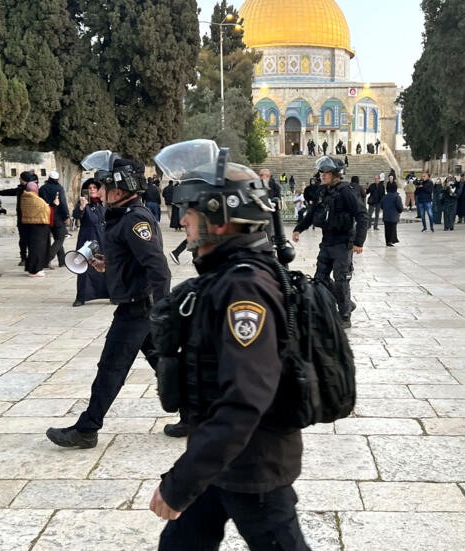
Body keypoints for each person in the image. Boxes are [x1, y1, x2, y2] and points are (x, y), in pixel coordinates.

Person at [148, 139, 307, 550]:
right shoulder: (225, 276)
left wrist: (180, 483)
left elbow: (245, 399)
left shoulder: (243, 288)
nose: (183, 219)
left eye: (191, 209)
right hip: (220, 460)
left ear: (218, 219)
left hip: (252, 469)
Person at [46, 153, 170, 448]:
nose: (100, 192)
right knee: (163, 362)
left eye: (105, 186)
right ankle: (195, 413)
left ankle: (87, 428)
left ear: (122, 188)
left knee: (111, 367)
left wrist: (163, 310)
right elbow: (132, 261)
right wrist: (107, 265)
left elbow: (158, 268)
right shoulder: (123, 216)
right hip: (138, 305)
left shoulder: (135, 219)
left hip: (138, 308)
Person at [292, 156, 368, 328]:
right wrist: (299, 229)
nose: (322, 175)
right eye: (321, 172)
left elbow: (362, 215)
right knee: (320, 280)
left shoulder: (346, 192)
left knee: (341, 280)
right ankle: (346, 303)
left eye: (326, 172)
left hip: (343, 243)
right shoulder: (322, 191)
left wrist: (359, 241)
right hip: (327, 242)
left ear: (335, 174)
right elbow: (312, 213)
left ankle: (345, 316)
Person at [71, 179, 109, 305]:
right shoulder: (83, 203)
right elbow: (76, 215)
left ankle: (110, 293)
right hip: (88, 238)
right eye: (89, 188)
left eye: (94, 187)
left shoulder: (101, 204)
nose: (92, 189)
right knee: (85, 267)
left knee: (104, 265)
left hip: (102, 237)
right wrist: (82, 207)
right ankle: (81, 297)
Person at [19, 180, 51, 277]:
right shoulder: (36, 199)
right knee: (38, 249)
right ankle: (35, 270)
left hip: (29, 225)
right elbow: (45, 209)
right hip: (39, 226)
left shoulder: (24, 197)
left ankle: (32, 268)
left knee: (32, 248)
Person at [40, 171, 70, 268]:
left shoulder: (42, 188)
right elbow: (63, 203)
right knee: (60, 238)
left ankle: (62, 261)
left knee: (58, 238)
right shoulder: (59, 188)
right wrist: (66, 216)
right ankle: (47, 259)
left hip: (46, 216)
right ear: (57, 179)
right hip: (57, 217)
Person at [382, 180, 403, 246]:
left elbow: (382, 205)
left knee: (387, 229)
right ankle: (391, 241)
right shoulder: (397, 197)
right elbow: (399, 207)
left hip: (386, 215)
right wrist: (399, 211)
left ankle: (387, 241)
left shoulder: (384, 197)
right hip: (394, 215)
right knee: (393, 228)